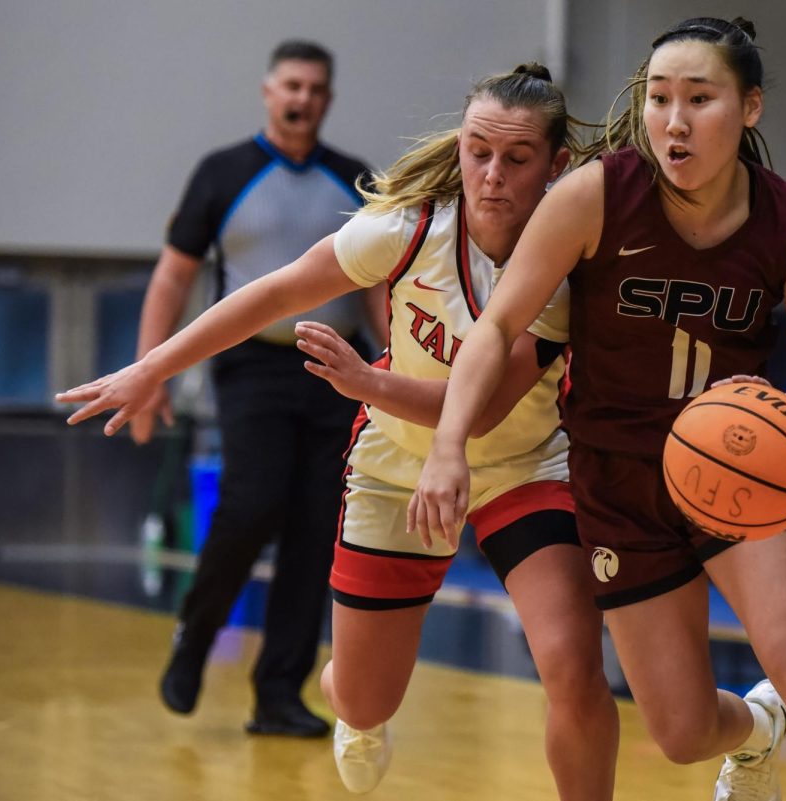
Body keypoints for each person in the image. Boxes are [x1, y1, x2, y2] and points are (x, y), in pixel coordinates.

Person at [57, 64, 619, 800]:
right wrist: (148, 368)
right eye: (478, 150)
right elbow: (272, 292)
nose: (492, 175)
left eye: (516, 159)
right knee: (363, 696)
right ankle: (359, 714)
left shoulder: (562, 261)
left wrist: (367, 382)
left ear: (557, 165)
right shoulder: (410, 225)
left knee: (573, 669)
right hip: (399, 465)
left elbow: (479, 409)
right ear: (459, 147)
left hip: (522, 466)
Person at [413, 17, 786, 801]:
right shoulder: (596, 195)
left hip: (735, 468)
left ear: (749, 110)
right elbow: (497, 324)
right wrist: (447, 444)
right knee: (678, 734)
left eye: (699, 99)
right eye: (659, 98)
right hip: (620, 482)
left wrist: (767, 426)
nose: (673, 120)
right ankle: (757, 731)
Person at [128, 39, 382, 738]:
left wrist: (394, 371)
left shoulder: (354, 180)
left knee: (315, 527)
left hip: (336, 365)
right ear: (270, 93)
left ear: (327, 101)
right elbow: (174, 277)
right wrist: (149, 372)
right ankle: (195, 634)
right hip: (251, 366)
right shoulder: (222, 173)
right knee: (251, 502)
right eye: (291, 86)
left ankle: (278, 692)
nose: (302, 100)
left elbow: (376, 287)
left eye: (316, 90)